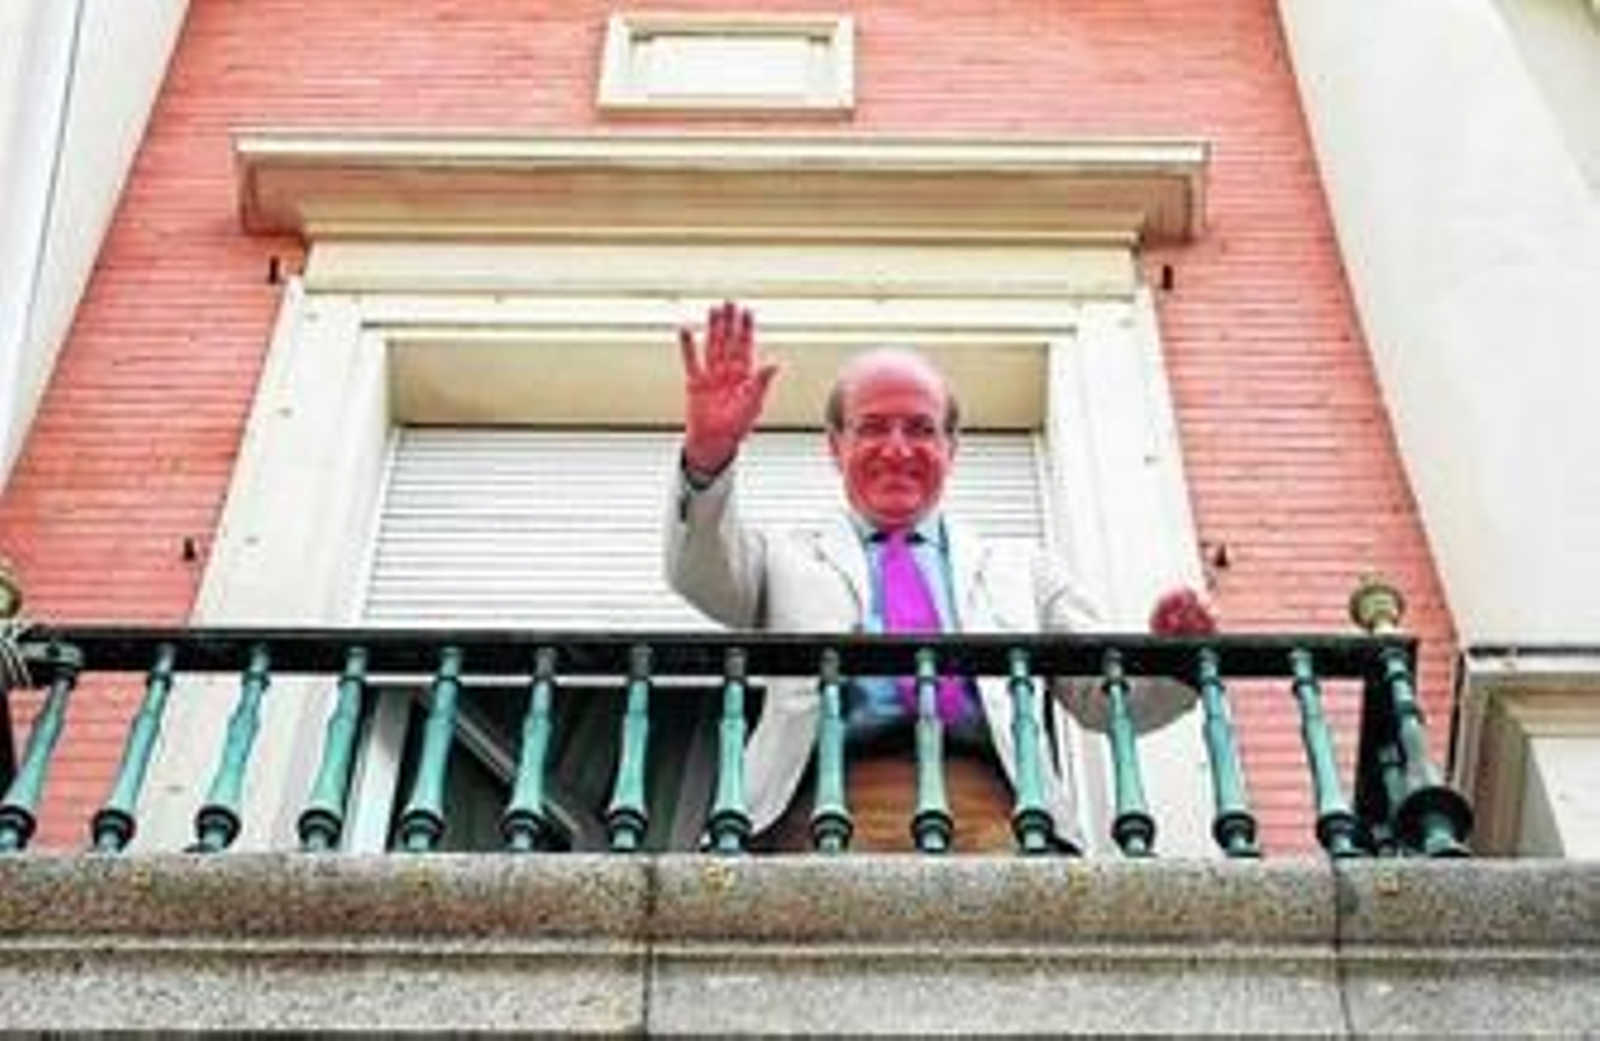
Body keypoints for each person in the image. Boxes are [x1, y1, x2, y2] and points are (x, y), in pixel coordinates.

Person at [665, 301, 1216, 852]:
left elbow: (1103, 699)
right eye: (873, 427)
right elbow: (700, 572)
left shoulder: (1023, 570)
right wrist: (708, 457)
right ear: (836, 446)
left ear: (951, 448)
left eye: (921, 429)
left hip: (997, 812)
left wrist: (1175, 659)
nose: (898, 449)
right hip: (828, 807)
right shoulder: (782, 557)